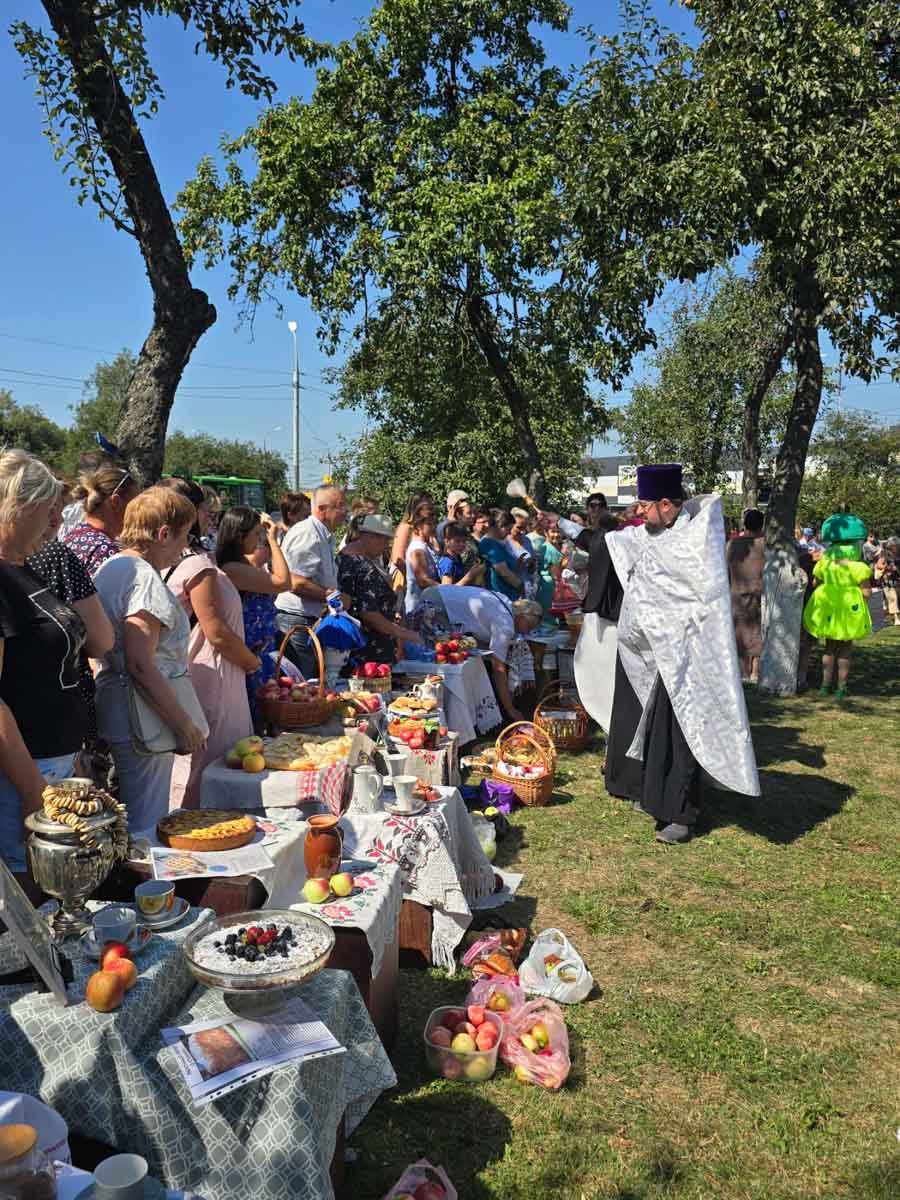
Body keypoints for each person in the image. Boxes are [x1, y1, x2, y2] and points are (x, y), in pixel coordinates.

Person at [568, 464, 760, 844]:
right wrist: (566, 526)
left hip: (688, 656)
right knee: (657, 732)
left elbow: (694, 598)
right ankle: (657, 797)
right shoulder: (654, 533)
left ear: (667, 505)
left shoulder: (694, 540)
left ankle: (682, 814)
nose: (639, 512)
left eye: (645, 505)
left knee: (682, 734)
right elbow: (610, 543)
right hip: (654, 653)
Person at [0, 451, 112, 884]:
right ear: (18, 506)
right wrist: (34, 791)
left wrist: (72, 759)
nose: (55, 521)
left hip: (54, 765)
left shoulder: (24, 567)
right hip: (21, 778)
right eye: (47, 510)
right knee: (31, 892)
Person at [93, 487, 207, 831]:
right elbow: (141, 665)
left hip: (120, 705)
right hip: (143, 716)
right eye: (184, 536)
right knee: (146, 823)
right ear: (163, 534)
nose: (185, 547)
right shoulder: (144, 577)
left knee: (130, 817)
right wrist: (184, 724)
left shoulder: (112, 567)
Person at [159, 480, 259, 807]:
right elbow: (216, 631)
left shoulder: (188, 559)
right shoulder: (195, 564)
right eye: (206, 510)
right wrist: (251, 662)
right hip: (214, 674)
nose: (210, 517)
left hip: (208, 671)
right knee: (210, 768)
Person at [28, 492, 116, 757]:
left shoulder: (71, 541)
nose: (57, 518)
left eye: (59, 509)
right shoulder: (55, 556)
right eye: (49, 509)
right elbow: (101, 642)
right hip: (53, 726)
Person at [216, 507, 292, 732]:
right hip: (247, 657)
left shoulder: (243, 564)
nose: (260, 539)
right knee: (253, 721)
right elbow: (284, 582)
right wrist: (274, 540)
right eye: (256, 534)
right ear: (240, 536)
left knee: (264, 719)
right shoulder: (232, 568)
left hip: (258, 654)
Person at [418, 585, 542, 722]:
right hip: (438, 604)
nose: (526, 632)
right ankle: (443, 713)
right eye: (528, 626)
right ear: (521, 617)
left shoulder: (505, 602)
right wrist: (510, 709)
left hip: (437, 593)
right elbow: (498, 668)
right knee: (432, 656)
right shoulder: (505, 624)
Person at [275, 485, 348, 677]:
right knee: (302, 684)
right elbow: (296, 582)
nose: (345, 511)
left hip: (307, 620)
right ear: (322, 509)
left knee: (311, 684)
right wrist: (332, 596)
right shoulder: (308, 533)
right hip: (297, 622)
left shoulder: (322, 534)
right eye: (340, 506)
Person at [803, 512, 873, 699]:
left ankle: (825, 686)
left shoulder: (824, 564)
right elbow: (867, 592)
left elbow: (815, 583)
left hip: (828, 607)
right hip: (848, 610)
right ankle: (841, 687)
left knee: (829, 648)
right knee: (845, 649)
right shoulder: (859, 567)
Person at [337, 514, 423, 664]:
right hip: (367, 650)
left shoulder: (349, 557)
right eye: (385, 541)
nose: (386, 546)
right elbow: (368, 613)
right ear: (372, 537)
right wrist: (405, 634)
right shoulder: (360, 564)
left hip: (361, 646)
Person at [63, 461, 141, 576]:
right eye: (135, 506)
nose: (138, 513)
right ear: (116, 502)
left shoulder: (74, 535)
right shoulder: (104, 551)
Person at [726, 508, 766, 683]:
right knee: (758, 630)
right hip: (759, 592)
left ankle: (744, 672)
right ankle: (755, 672)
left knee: (740, 632)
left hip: (736, 593)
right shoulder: (765, 545)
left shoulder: (731, 544)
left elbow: (725, 569)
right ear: (762, 525)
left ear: (745, 524)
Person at [389, 490, 434, 595]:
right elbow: (398, 559)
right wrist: (409, 577)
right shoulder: (406, 527)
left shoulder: (425, 527)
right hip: (403, 578)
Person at [404, 499, 442, 615]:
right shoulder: (417, 548)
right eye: (429, 524)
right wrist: (447, 589)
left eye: (435, 523)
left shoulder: (427, 544)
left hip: (429, 604)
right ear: (418, 525)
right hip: (418, 605)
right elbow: (422, 580)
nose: (433, 527)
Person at [479, 509, 523, 600]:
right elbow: (503, 571)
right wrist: (521, 586)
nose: (510, 533)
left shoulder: (498, 543)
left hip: (506, 594)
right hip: (500, 595)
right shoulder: (489, 545)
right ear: (500, 526)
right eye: (509, 529)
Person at [438, 521, 484, 586]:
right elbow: (447, 589)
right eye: (457, 541)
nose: (462, 544)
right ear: (447, 541)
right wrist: (470, 575)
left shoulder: (457, 558)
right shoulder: (447, 563)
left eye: (464, 541)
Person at [874, 538, 899, 627]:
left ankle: (886, 614)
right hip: (888, 579)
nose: (895, 547)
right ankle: (896, 618)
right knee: (893, 598)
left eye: (896, 545)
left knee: (894, 598)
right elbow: (878, 565)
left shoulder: (898, 553)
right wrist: (888, 567)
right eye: (893, 545)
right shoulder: (884, 553)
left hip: (896, 578)